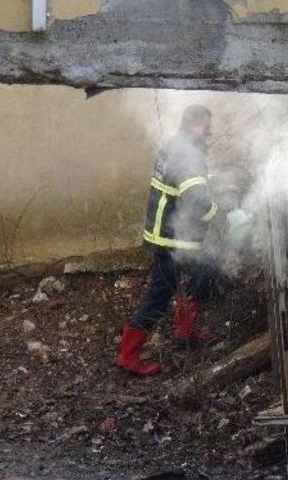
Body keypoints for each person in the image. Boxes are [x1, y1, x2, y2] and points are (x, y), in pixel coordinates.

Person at [117, 105, 221, 376]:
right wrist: (219, 216)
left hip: (168, 233)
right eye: (205, 125)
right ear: (193, 124)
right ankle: (129, 355)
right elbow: (197, 201)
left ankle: (185, 330)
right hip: (173, 240)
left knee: (207, 273)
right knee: (159, 296)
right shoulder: (189, 155)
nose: (210, 131)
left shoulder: (175, 145)